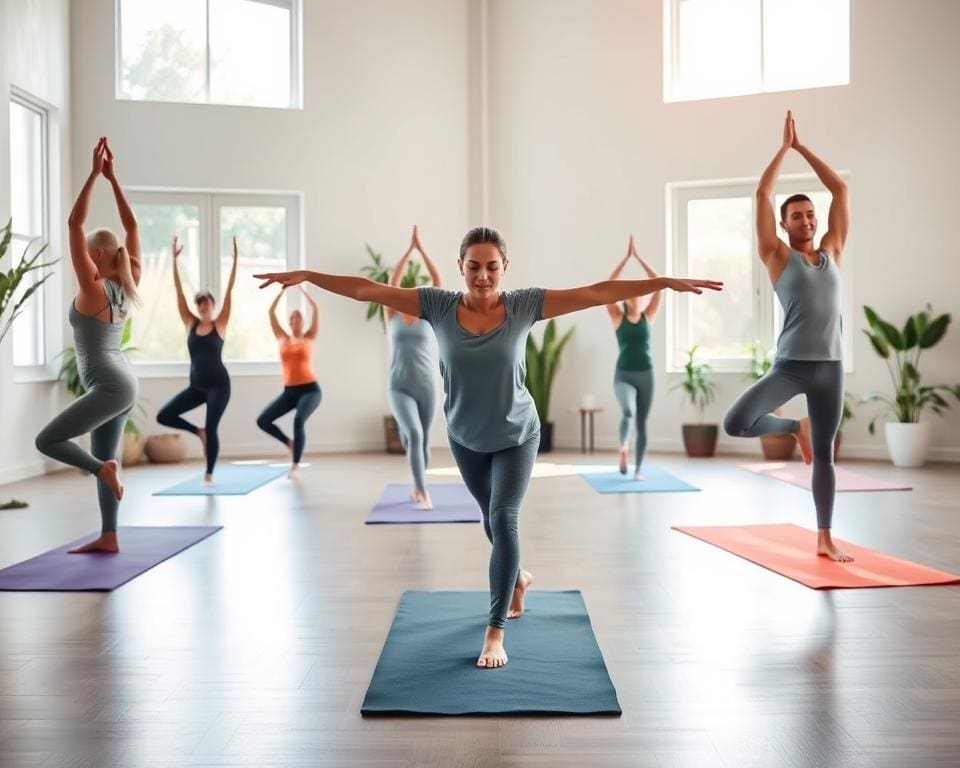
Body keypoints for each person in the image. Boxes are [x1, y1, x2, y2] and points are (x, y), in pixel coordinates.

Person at [254, 226, 722, 668]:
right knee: (489, 520)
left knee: (504, 517)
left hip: (519, 433)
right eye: (474, 266)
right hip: (465, 436)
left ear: (505, 266)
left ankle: (495, 628)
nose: (483, 276)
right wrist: (309, 276)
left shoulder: (524, 306)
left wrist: (663, 281)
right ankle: (518, 577)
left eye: (492, 267)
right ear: (460, 266)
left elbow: (596, 293)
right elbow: (367, 290)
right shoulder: (435, 305)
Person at [723, 110, 851, 562]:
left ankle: (824, 537)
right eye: (797, 215)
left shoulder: (833, 250)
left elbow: (840, 189)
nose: (808, 220)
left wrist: (804, 149)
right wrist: (783, 149)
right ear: (784, 225)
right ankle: (794, 426)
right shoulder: (776, 256)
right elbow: (762, 192)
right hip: (791, 366)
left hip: (831, 369)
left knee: (826, 456)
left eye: (810, 214)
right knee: (736, 422)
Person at [35, 137, 140, 553]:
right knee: (104, 451)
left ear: (96, 254)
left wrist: (96, 175)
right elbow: (131, 228)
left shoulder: (94, 288)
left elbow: (73, 225)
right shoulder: (128, 284)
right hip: (123, 383)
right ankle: (109, 537)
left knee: (47, 442)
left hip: (110, 386)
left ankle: (102, 469)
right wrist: (115, 181)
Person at [156, 236, 237, 485]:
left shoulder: (219, 324)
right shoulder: (190, 323)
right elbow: (178, 293)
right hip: (196, 387)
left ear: (213, 305)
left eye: (206, 303)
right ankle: (196, 431)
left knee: (212, 427)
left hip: (219, 386)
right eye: (199, 304)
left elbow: (230, 290)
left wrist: (235, 261)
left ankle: (209, 473)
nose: (203, 307)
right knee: (164, 415)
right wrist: (174, 261)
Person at [386, 225, 441, 509]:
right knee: (415, 435)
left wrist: (422, 249)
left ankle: (417, 481)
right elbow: (392, 280)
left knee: (422, 441)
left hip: (427, 385)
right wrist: (408, 251)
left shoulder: (427, 315)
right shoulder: (391, 314)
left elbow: (437, 280)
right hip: (399, 386)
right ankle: (422, 491)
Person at [606, 234, 662, 480]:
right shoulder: (617, 316)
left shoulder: (648, 315)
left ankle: (639, 470)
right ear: (626, 298)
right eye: (630, 294)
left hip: (646, 374)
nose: (635, 296)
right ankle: (623, 448)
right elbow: (608, 285)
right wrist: (624, 259)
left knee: (642, 423)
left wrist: (639, 258)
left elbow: (658, 282)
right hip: (624, 374)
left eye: (638, 293)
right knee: (628, 412)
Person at [256, 286, 322, 477]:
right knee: (263, 420)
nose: (295, 320)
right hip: (289, 392)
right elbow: (270, 312)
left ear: (303, 321)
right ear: (289, 322)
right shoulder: (282, 338)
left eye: (298, 317)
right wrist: (282, 291)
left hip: (310, 390)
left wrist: (302, 289)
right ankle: (288, 443)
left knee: (299, 419)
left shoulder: (309, 336)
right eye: (292, 318)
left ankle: (295, 465)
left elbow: (316, 309)